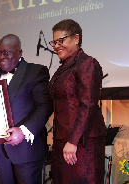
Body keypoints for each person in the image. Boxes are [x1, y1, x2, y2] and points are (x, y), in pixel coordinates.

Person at [0, 34, 52, 184]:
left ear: (20, 52)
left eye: (7, 52)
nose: (1, 56)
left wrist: (24, 130)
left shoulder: (36, 72)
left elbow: (45, 106)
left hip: (26, 150)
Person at [48, 19, 107, 184]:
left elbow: (88, 106)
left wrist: (73, 141)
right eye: (54, 42)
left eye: (61, 41)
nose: (56, 46)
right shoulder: (62, 68)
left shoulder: (87, 63)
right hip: (62, 141)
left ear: (76, 38)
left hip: (82, 143)